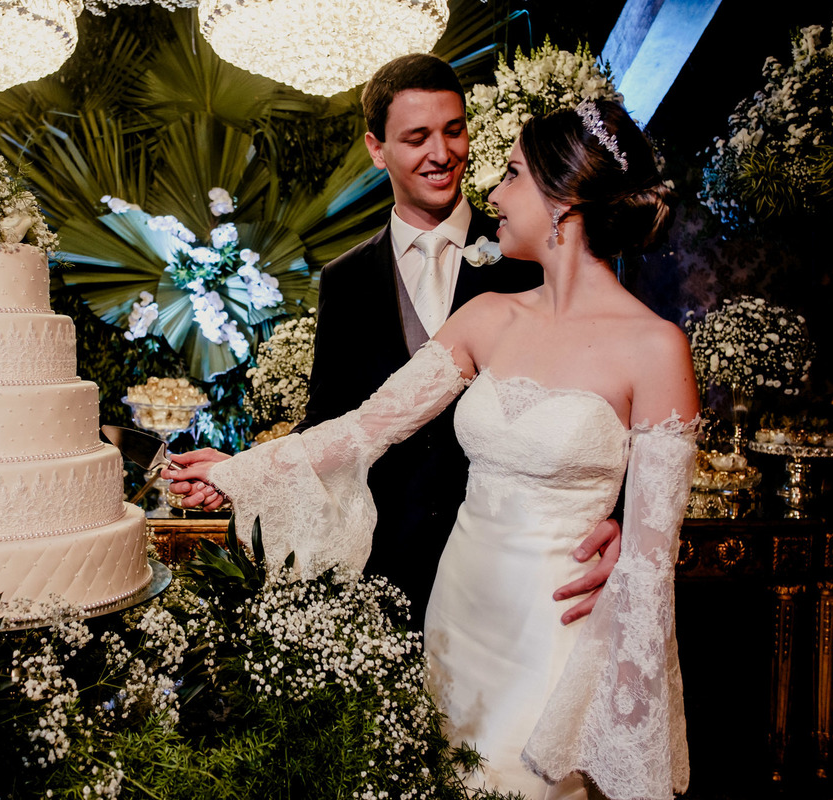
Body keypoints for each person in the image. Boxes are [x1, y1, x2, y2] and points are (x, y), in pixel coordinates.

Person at [167, 99, 699, 799]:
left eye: (512, 174)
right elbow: (367, 426)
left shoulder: (656, 348)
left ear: (563, 201)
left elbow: (653, 567)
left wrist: (624, 549)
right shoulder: (486, 317)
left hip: (558, 627)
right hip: (459, 613)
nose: (493, 194)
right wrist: (243, 471)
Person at [183, 53, 621, 629]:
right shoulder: (344, 278)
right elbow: (336, 418)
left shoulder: (535, 250)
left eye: (454, 130)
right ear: (377, 148)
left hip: (519, 568)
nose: (442, 154)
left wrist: (615, 518)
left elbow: (607, 402)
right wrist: (245, 472)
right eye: (417, 138)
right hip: (386, 560)